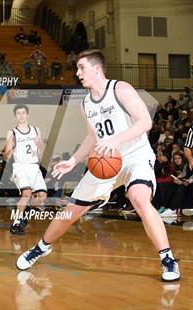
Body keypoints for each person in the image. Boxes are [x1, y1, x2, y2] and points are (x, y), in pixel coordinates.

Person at [16, 49, 180, 282]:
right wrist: (72, 160)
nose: (77, 73)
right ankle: (41, 247)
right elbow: (92, 138)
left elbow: (145, 122)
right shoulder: (85, 104)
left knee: (139, 199)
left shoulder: (120, 89)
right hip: (105, 161)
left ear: (96, 68)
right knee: (70, 212)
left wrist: (115, 140)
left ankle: (168, 259)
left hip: (135, 156)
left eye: (81, 67)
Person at [4, 104, 47, 235]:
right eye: (18, 113)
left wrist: (40, 147)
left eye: (23, 113)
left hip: (34, 166)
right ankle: (16, 223)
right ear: (15, 116)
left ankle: (25, 210)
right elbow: (6, 155)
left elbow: (40, 152)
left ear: (27, 115)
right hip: (20, 166)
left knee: (42, 197)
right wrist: (9, 151)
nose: (21, 115)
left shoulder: (36, 130)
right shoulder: (12, 132)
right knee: (26, 193)